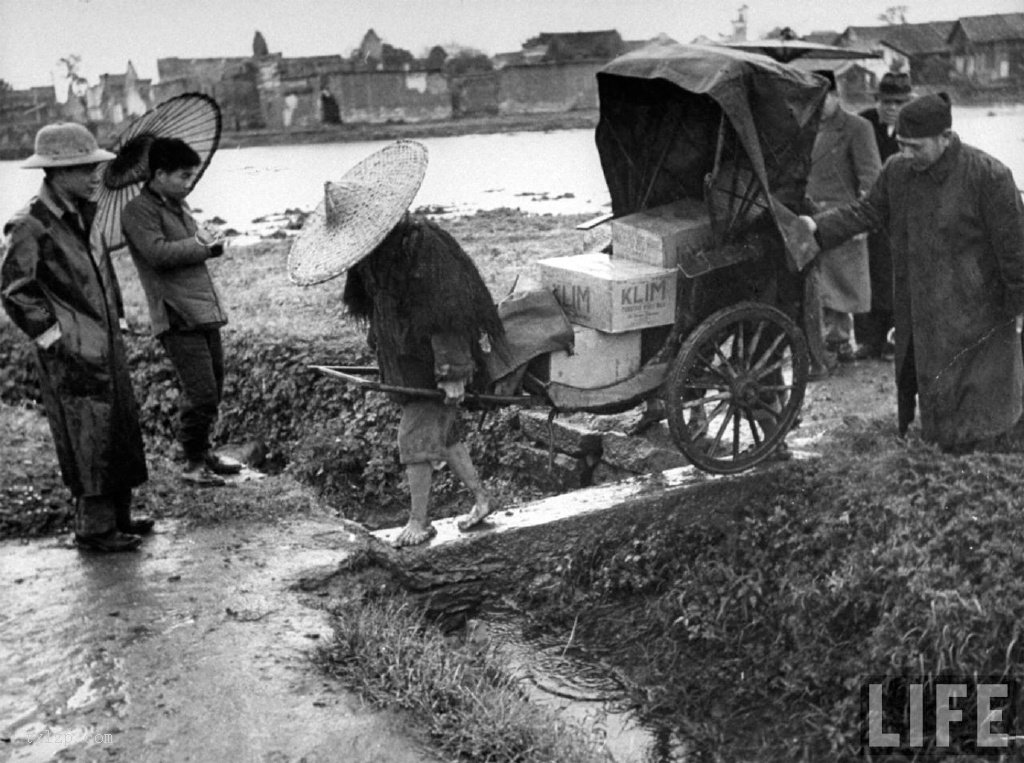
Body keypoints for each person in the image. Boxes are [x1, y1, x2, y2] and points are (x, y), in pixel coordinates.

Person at [287, 141, 506, 548]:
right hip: (405, 363)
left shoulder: (422, 247)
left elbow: (450, 316)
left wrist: (455, 373)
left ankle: (419, 521)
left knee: (414, 441)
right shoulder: (372, 254)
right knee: (446, 436)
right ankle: (481, 498)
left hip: (434, 363)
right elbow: (377, 311)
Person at [798, 93, 1024, 453]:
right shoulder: (898, 172)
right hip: (923, 305)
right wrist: (817, 228)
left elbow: (1015, 250)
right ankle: (940, 454)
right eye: (901, 145)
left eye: (915, 147)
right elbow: (866, 212)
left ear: (945, 138)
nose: (906, 154)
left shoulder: (989, 176)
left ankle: (987, 457)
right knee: (932, 387)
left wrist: (1015, 308)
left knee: (984, 396)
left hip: (979, 310)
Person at [1, 122, 151, 552]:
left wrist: (117, 321)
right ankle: (95, 529)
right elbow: (16, 290)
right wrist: (56, 338)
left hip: (105, 344)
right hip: (72, 351)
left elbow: (105, 275)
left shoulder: (86, 214)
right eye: (84, 168)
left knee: (118, 426)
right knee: (88, 435)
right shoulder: (30, 225)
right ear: (56, 172)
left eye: (93, 166)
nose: (94, 176)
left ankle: (120, 517)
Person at [121, 137, 241, 486]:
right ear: (159, 174)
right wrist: (200, 244)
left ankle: (202, 453)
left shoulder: (177, 205)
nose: (189, 183)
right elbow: (158, 254)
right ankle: (192, 464)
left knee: (214, 387)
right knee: (201, 392)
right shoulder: (138, 211)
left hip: (201, 308)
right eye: (183, 176)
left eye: (192, 176)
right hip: (175, 312)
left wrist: (211, 245)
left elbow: (193, 249)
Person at [805, 69, 881, 375]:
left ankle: (838, 344)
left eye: (824, 97)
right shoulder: (803, 129)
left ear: (837, 96)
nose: (818, 105)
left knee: (840, 288)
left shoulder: (857, 128)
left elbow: (872, 178)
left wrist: (862, 223)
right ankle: (821, 346)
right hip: (809, 218)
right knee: (815, 285)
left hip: (843, 220)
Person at [855, 71, 914, 360]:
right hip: (869, 210)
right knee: (866, 272)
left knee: (897, 274)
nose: (891, 108)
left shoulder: (917, 129)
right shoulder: (863, 123)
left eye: (898, 102)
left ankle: (895, 338)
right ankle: (867, 339)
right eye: (886, 101)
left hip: (903, 214)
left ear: (908, 103)